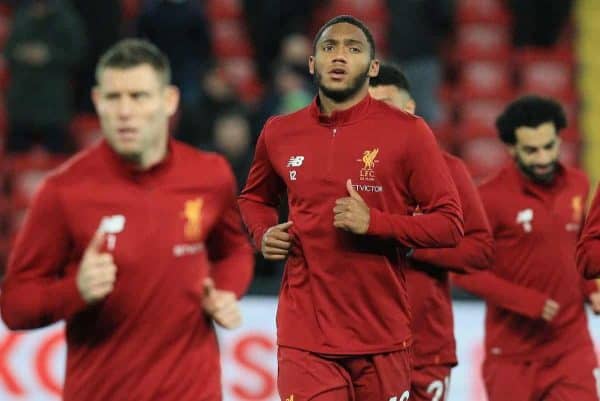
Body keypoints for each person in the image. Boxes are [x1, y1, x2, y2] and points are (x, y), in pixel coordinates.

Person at [0, 39, 254, 401]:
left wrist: (227, 292)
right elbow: (14, 306)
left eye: (138, 97)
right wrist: (75, 292)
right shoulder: (64, 191)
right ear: (97, 101)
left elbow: (233, 252)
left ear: (168, 101)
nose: (124, 111)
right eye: (113, 98)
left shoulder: (210, 175)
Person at [238, 15, 463, 401]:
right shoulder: (279, 132)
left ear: (373, 68)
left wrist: (376, 223)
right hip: (305, 336)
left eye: (353, 49)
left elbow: (450, 224)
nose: (339, 56)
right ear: (312, 63)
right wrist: (263, 233)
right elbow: (253, 198)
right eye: (328, 48)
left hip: (383, 335)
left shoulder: (409, 132)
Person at [453, 95, 600, 401]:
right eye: (532, 150)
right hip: (512, 354)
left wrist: (591, 290)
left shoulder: (578, 184)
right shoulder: (488, 198)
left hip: (570, 348)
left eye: (550, 146)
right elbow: (462, 272)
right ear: (511, 149)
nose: (544, 157)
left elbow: (579, 247)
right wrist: (525, 301)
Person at [369, 63, 494, 401]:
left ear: (410, 109)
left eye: (386, 104)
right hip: (366, 344)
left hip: (427, 350)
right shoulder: (350, 176)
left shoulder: (448, 170)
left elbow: (480, 249)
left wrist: (413, 244)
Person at [4, 0, 86, 154]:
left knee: (58, 162)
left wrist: (48, 55)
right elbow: (9, 51)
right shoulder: (22, 14)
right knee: (16, 159)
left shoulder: (66, 17)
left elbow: (77, 53)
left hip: (53, 106)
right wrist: (23, 53)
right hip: (21, 105)